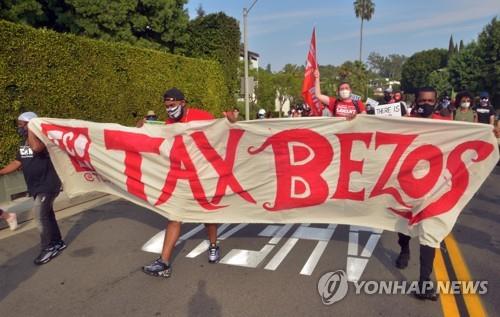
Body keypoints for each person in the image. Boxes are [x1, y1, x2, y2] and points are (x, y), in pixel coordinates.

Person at [140, 88, 225, 278]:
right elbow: (156, 141)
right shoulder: (169, 123)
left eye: (172, 105)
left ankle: (213, 245)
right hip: (181, 176)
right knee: (174, 216)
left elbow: (220, 135)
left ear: (183, 102)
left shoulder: (201, 116)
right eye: (166, 106)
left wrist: (230, 122)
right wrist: (143, 129)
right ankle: (164, 262)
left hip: (203, 175)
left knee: (207, 216)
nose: (169, 110)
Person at [0, 112, 65, 265]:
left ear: (31, 125)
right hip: (36, 187)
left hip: (47, 185)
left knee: (40, 216)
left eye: (21, 125)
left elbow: (36, 148)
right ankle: (57, 242)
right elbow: (17, 163)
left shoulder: (42, 140)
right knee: (48, 216)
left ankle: (48, 248)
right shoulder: (24, 145)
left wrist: (31, 129)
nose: (19, 128)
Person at [397, 87, 441, 301]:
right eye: (422, 101)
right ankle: (404, 249)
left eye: (430, 100)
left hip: (434, 189)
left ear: (436, 101)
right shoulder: (407, 122)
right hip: (406, 185)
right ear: (416, 101)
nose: (426, 104)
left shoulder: (447, 123)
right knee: (404, 226)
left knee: (429, 234)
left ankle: (424, 282)